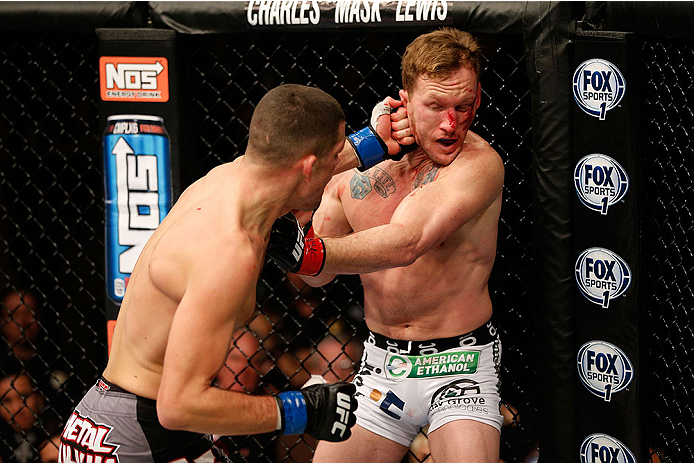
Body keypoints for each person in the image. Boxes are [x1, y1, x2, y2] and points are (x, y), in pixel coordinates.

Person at [58, 83, 409, 462]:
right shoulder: (228, 254)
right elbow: (179, 405)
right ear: (309, 166)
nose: (335, 163)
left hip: (108, 419)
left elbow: (294, 168)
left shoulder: (226, 179)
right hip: (145, 434)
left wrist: (371, 143)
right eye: (333, 156)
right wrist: (300, 411)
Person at [268, 28, 505, 462]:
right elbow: (315, 275)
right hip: (382, 365)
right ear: (406, 101)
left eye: (464, 106)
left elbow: (407, 241)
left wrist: (311, 251)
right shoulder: (358, 174)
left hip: (460, 368)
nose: (451, 123)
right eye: (435, 106)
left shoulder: (480, 165)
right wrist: (363, 147)